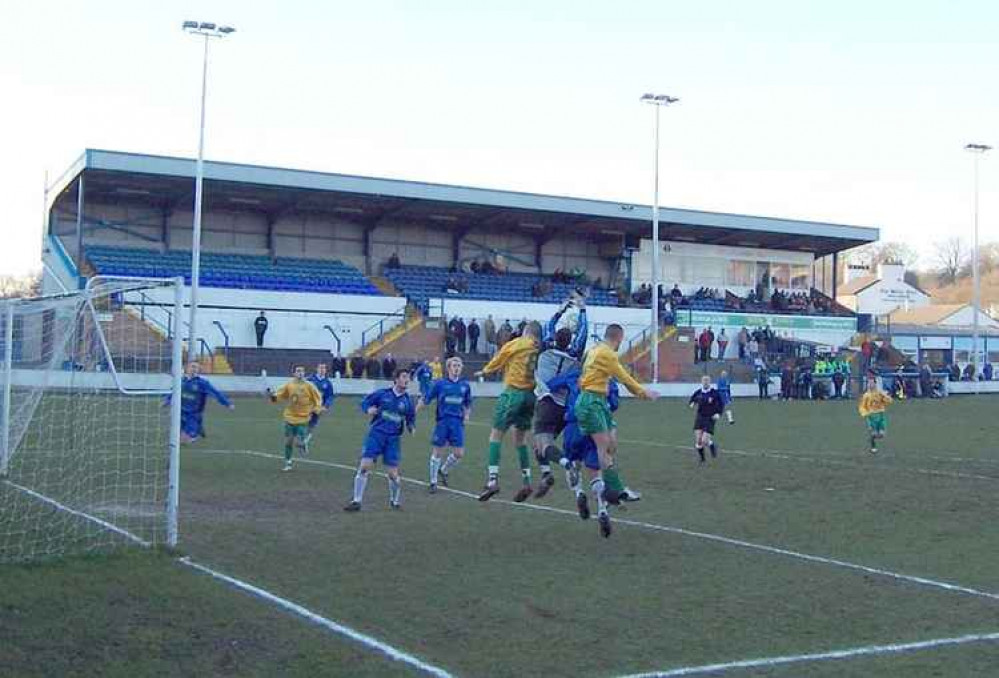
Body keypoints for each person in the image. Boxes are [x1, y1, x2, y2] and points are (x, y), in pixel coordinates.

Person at [575, 324, 657, 538]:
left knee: (611, 443)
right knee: (603, 447)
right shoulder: (607, 354)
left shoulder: (594, 350)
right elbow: (624, 378)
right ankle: (617, 491)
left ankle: (610, 489)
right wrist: (643, 393)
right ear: (619, 338)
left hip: (597, 400)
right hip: (590, 401)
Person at [474, 322, 542, 503]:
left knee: (495, 436)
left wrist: (485, 370)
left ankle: (492, 480)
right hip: (530, 395)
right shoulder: (539, 347)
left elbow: (500, 357)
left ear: (526, 332)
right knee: (520, 440)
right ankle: (527, 481)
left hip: (514, 393)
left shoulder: (518, 343)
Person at [531, 298, 588, 498]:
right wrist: (582, 311)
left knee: (542, 443)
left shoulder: (546, 348)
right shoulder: (575, 354)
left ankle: (565, 465)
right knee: (541, 446)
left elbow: (548, 326)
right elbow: (583, 334)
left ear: (555, 337)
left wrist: (561, 309)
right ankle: (546, 475)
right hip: (564, 407)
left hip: (547, 402)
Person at [344, 369, 417, 511]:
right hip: (376, 435)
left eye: (408, 378)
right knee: (364, 466)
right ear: (396, 379)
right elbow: (364, 402)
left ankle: (394, 501)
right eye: (404, 377)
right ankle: (356, 501)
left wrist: (411, 427)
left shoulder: (408, 401)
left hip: (393, 440)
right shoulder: (382, 394)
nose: (407, 380)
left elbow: (410, 418)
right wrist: (368, 410)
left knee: (393, 474)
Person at [420, 356, 472, 493]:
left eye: (459, 366)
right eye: (454, 365)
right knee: (437, 451)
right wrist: (415, 410)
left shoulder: (465, 385)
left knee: (459, 453)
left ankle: (443, 470)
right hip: (443, 421)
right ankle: (433, 482)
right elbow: (427, 398)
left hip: (457, 422)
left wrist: (467, 414)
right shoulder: (440, 384)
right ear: (448, 368)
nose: (456, 368)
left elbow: (467, 403)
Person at [267, 366, 323, 471]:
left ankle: (303, 443)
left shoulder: (309, 386)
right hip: (290, 416)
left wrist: (317, 408)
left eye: (302, 371)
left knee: (300, 439)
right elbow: (279, 395)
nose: (300, 373)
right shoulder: (289, 385)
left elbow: (318, 398)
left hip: (304, 417)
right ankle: (288, 462)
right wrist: (273, 397)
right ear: (294, 373)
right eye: (298, 371)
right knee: (289, 441)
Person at [165, 360, 234, 443]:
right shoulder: (180, 381)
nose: (194, 369)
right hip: (180, 412)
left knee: (185, 439)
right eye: (192, 366)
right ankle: (197, 429)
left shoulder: (202, 383)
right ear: (186, 368)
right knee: (177, 436)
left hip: (194, 414)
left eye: (196, 367)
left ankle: (194, 431)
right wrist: (167, 401)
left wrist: (227, 403)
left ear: (199, 370)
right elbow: (174, 393)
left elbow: (216, 393)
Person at [689, 375, 724, 464]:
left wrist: (718, 414)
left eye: (707, 381)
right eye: (704, 381)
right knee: (698, 441)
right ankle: (702, 459)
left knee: (704, 440)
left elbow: (721, 405)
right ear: (701, 382)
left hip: (710, 417)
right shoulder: (698, 392)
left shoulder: (714, 393)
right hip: (700, 417)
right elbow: (692, 400)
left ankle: (712, 446)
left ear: (710, 382)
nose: (705, 382)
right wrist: (692, 404)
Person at [858, 376, 893, 454]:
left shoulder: (880, 393)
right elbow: (862, 406)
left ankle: (871, 438)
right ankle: (873, 447)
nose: (871, 384)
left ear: (875, 384)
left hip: (880, 414)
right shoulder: (866, 395)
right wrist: (865, 413)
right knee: (873, 433)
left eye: (872, 383)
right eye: (869, 383)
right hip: (871, 416)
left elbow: (888, 401)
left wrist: (886, 397)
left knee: (881, 435)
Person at [305, 363, 337, 446]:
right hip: (307, 405)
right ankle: (301, 437)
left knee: (312, 424)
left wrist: (326, 406)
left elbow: (330, 396)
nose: (322, 370)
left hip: (318, 407)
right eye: (320, 368)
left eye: (324, 368)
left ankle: (305, 441)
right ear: (317, 369)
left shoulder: (327, 383)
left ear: (326, 370)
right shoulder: (310, 379)